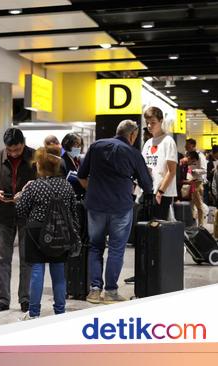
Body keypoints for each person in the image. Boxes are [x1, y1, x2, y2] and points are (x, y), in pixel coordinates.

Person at [77, 120, 153, 304]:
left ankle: (94, 291)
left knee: (95, 247)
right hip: (120, 208)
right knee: (116, 249)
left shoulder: (96, 146)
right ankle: (111, 292)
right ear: (132, 135)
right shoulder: (133, 153)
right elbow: (148, 186)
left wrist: (95, 190)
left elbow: (81, 175)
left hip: (95, 207)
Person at [16, 146, 78, 320]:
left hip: (36, 232)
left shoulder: (34, 186)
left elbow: (20, 210)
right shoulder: (66, 185)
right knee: (58, 272)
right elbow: (74, 211)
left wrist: (20, 196)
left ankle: (34, 313)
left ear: (40, 167)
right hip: (61, 231)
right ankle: (60, 312)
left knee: (37, 270)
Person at [0, 128, 36, 313]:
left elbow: (44, 181)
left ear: (24, 143)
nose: (13, 153)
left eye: (17, 150)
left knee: (27, 258)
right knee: (1, 258)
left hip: (28, 215)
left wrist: (28, 193)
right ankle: (3, 299)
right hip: (4, 213)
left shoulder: (36, 157)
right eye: (10, 150)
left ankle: (26, 298)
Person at [142, 106, 178, 220]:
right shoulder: (148, 143)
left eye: (153, 122)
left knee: (159, 228)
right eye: (147, 122)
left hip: (163, 193)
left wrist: (160, 192)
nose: (149, 126)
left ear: (161, 121)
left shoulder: (168, 141)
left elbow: (171, 171)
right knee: (147, 228)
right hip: (148, 191)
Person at [183, 151, 206, 225]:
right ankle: (192, 224)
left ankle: (200, 225)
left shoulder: (200, 156)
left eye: (188, 145)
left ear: (192, 146)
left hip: (197, 183)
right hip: (188, 183)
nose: (186, 147)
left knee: (199, 206)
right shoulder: (186, 155)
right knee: (191, 206)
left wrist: (194, 171)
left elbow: (204, 170)